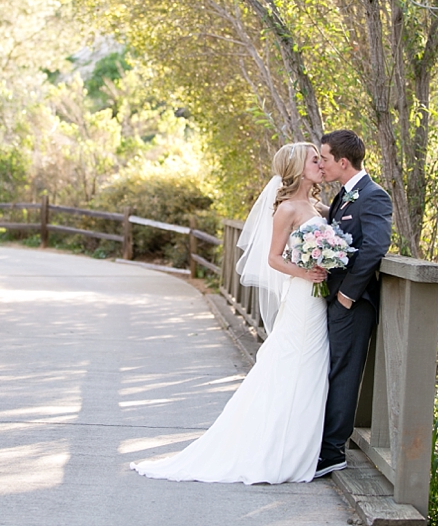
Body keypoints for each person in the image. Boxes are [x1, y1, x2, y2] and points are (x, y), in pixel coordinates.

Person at [130, 142, 331, 484]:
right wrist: (306, 273)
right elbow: (273, 259)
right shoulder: (286, 209)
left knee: (310, 365)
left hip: (315, 296)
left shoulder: (315, 205)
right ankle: (278, 447)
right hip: (303, 294)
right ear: (298, 167)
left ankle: (302, 441)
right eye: (315, 159)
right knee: (294, 363)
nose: (320, 164)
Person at [314, 130, 392, 478]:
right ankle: (323, 443)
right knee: (332, 371)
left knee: (343, 374)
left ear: (342, 162)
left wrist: (347, 295)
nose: (322, 164)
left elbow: (375, 247)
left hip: (353, 304)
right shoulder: (344, 197)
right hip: (335, 300)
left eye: (325, 159)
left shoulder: (374, 197)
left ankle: (332, 452)